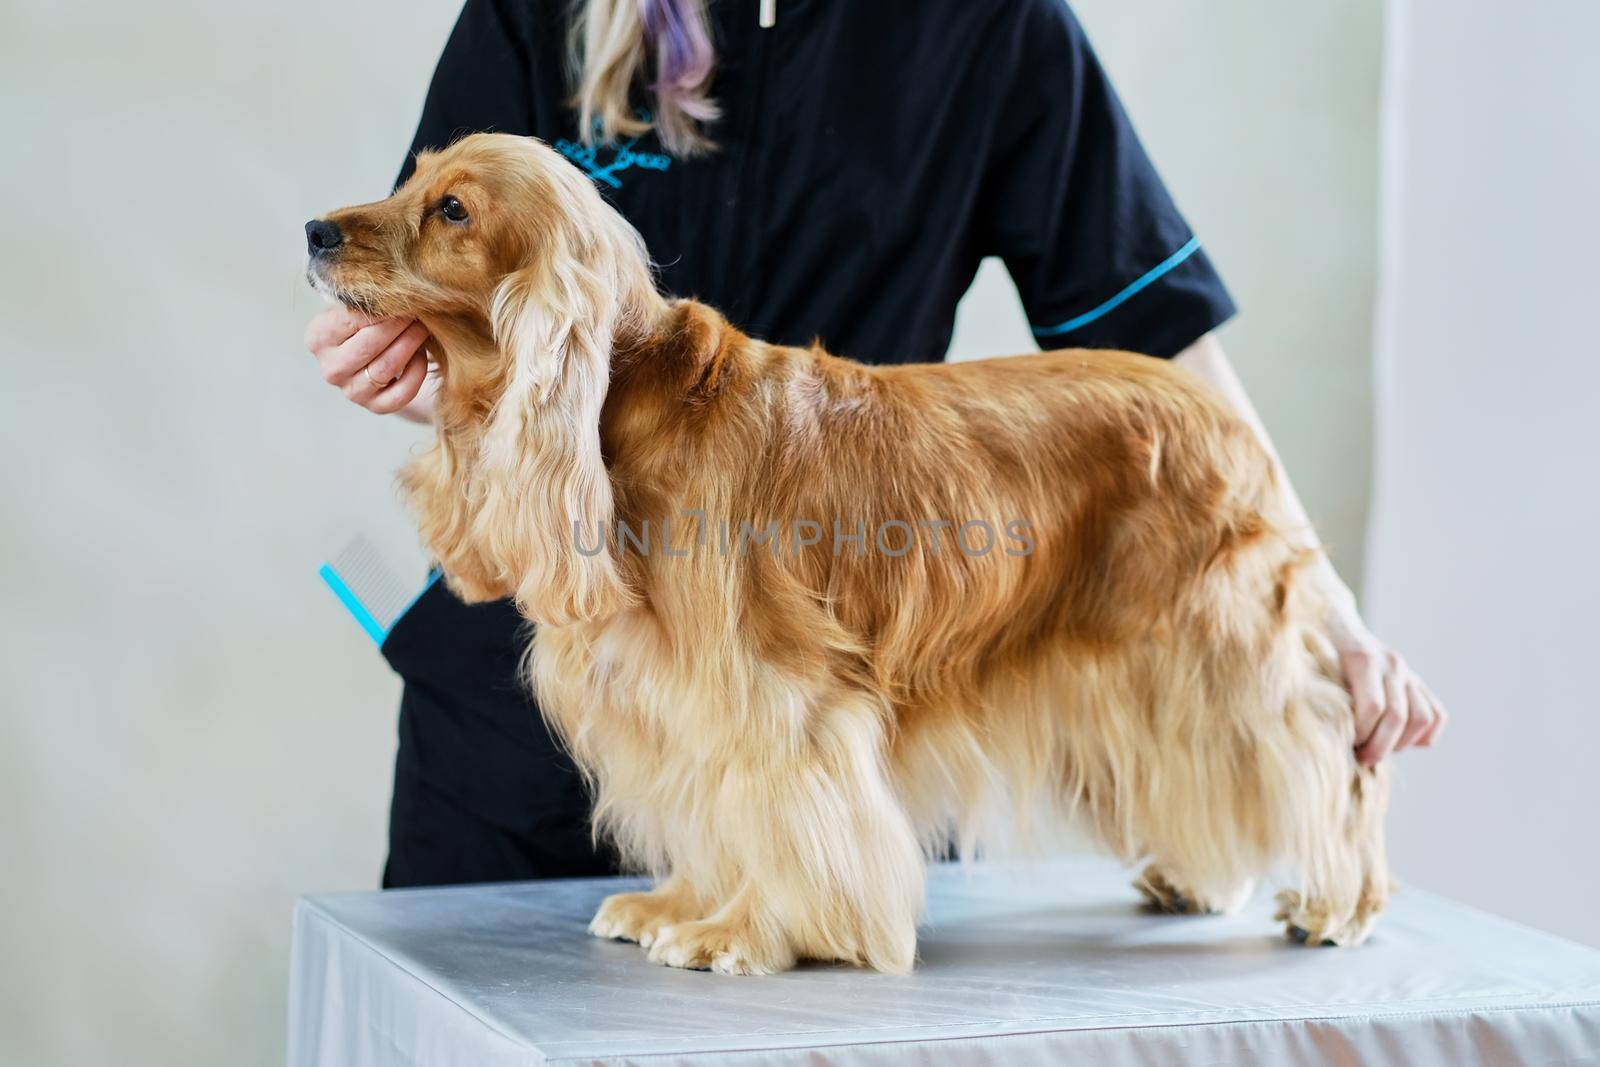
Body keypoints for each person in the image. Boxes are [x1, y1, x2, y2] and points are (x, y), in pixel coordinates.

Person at [304, 0, 1447, 889]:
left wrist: (1328, 612)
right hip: (529, 735)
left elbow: (1163, 358)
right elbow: (424, 277)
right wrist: (418, 369)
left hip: (839, 717)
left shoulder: (990, 26)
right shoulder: (543, 10)